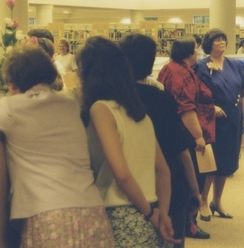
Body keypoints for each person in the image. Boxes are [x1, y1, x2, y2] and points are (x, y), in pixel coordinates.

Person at [0, 45, 114, 247]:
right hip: (92, 211)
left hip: (49, 216)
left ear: (12, 84)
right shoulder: (69, 105)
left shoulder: (11, 110)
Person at [77, 36, 179, 247]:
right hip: (152, 211)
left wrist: (150, 213)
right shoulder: (139, 114)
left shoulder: (101, 110)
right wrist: (162, 214)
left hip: (122, 215)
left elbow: (122, 174)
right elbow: (163, 171)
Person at [120, 33, 202, 247]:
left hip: (127, 188)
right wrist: (195, 190)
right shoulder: (162, 99)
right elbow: (180, 150)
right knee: (173, 238)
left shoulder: (109, 101)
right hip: (168, 184)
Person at [157, 36, 215, 240]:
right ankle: (189, 223)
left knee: (190, 178)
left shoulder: (176, 68)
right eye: (196, 48)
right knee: (192, 180)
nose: (198, 50)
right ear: (189, 52)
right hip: (187, 136)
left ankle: (188, 221)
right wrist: (198, 136)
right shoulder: (179, 72)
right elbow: (185, 107)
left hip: (183, 133)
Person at [194, 28, 244, 222]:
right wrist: (210, 106)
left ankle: (217, 201)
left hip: (233, 117)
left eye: (223, 39)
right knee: (212, 163)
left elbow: (242, 91)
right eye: (217, 40)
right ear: (209, 44)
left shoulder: (235, 65)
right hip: (212, 120)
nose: (222, 42)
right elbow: (196, 93)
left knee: (227, 162)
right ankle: (203, 202)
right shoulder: (201, 66)